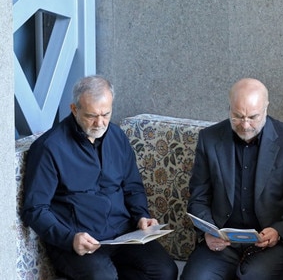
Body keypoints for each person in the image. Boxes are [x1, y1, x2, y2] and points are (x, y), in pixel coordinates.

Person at [21, 75, 178, 280]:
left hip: (122, 236)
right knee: (103, 277)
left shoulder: (117, 136)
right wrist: (70, 239)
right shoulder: (49, 148)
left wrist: (141, 216)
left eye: (106, 114)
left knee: (165, 271)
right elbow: (35, 209)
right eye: (91, 115)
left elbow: (132, 186)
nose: (100, 123)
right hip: (77, 241)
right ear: (74, 109)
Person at [180, 78, 283, 280]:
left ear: (266, 109)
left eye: (253, 117)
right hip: (222, 244)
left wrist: (279, 231)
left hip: (271, 244)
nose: (245, 125)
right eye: (237, 116)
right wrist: (207, 232)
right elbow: (198, 197)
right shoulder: (209, 138)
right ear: (229, 109)